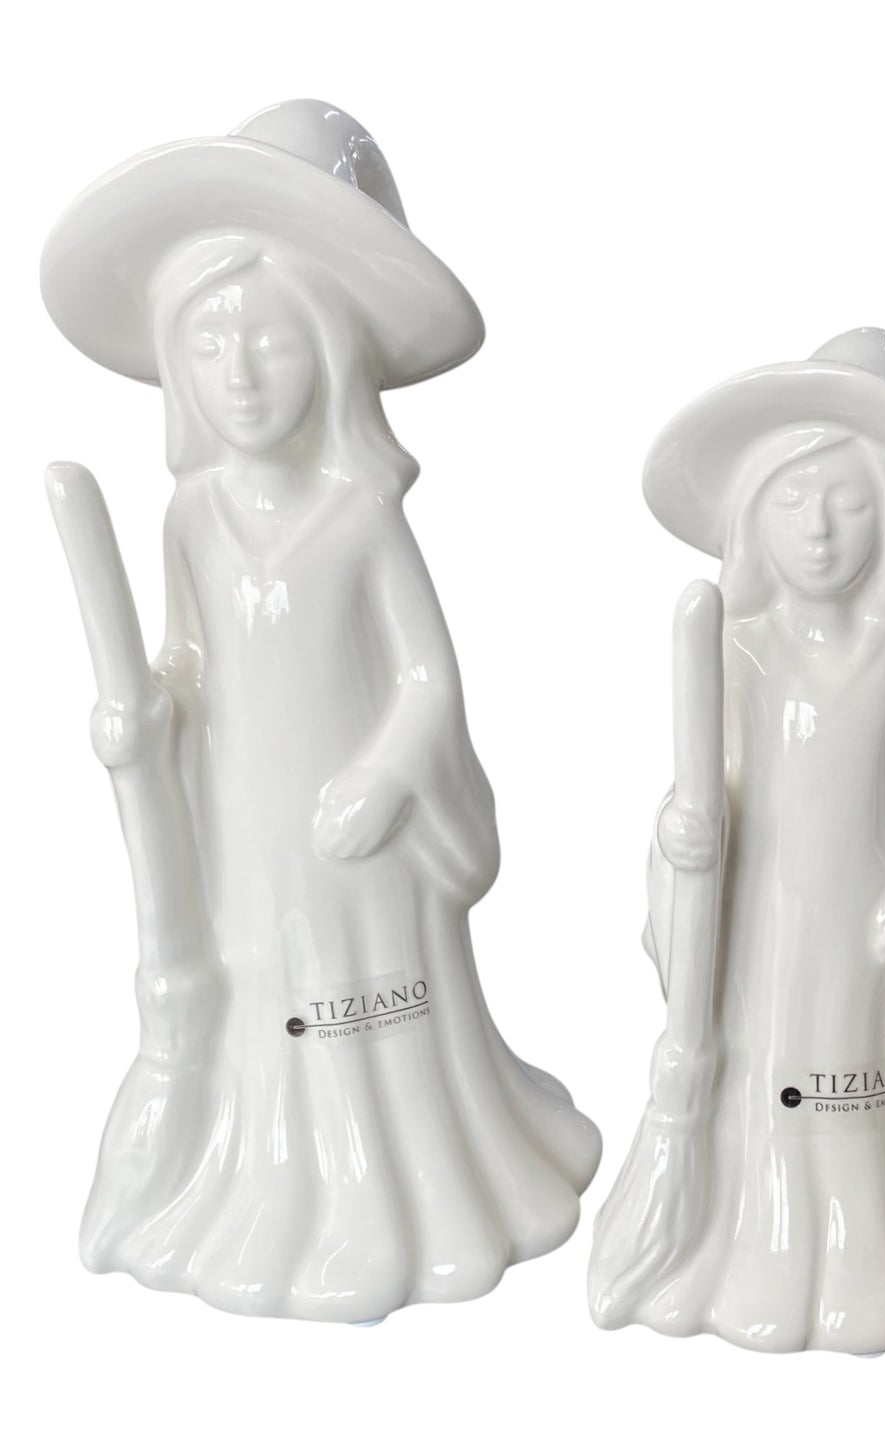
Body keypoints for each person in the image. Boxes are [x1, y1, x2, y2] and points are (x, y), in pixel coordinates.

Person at [42, 101, 600, 1322]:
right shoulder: (192, 518)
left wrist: (389, 774)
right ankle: (267, 1173)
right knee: (266, 986)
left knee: (370, 997)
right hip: (250, 832)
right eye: (208, 345)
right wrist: (143, 718)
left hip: (360, 839)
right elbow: (187, 660)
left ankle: (400, 1185)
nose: (240, 375)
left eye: (272, 341)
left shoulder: (359, 514)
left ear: (333, 350)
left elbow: (427, 678)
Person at [590, 328, 885, 1353]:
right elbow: (702, 782)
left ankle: (876, 1232)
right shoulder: (735, 651)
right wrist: (678, 831)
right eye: (791, 501)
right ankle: (743, 1229)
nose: (819, 531)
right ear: (752, 517)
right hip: (760, 935)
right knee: (765, 1064)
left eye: (847, 503)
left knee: (853, 1069)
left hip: (859, 931)